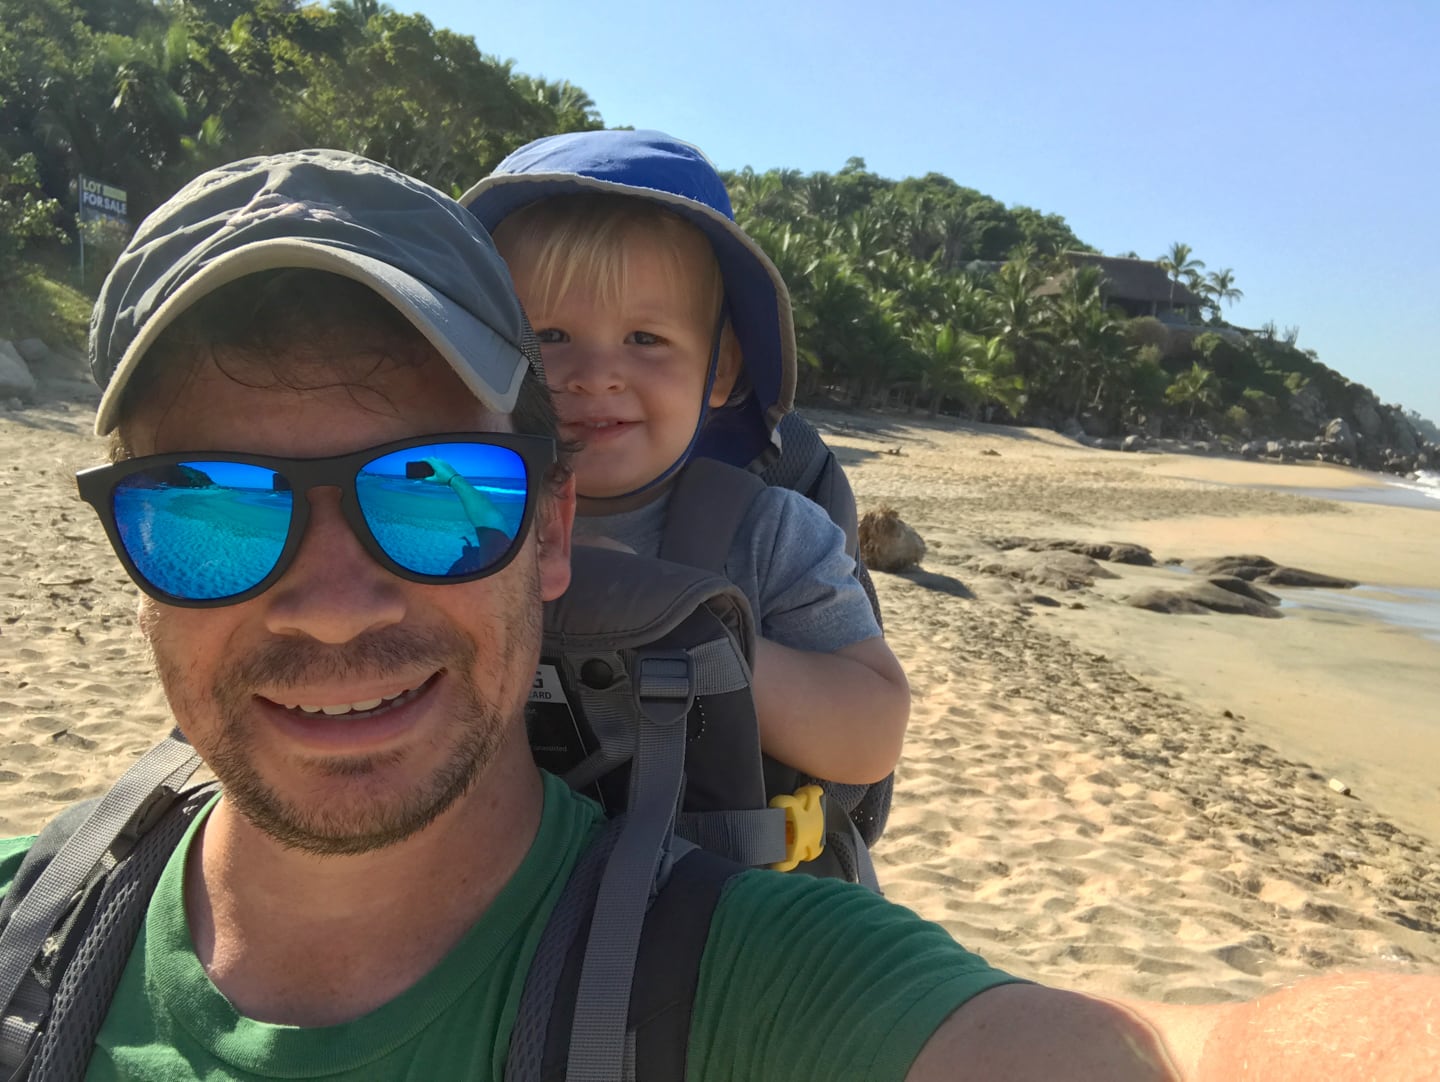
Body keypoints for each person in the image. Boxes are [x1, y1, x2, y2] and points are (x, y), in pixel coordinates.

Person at [2, 148, 1436, 1081]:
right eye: (211, 510)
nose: (326, 606)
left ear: (549, 524)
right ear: (123, 540)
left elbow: (1176, 1054)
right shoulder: (36, 931)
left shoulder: (729, 974)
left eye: (438, 496)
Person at [465, 130, 909, 790]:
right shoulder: (453, 509)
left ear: (721, 368)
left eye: (645, 339)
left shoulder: (766, 534)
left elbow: (873, 735)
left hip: (709, 878)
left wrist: (679, 630)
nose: (596, 375)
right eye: (549, 336)